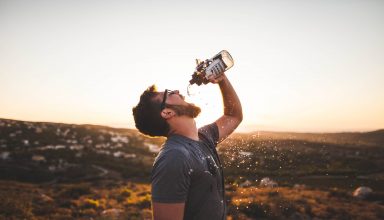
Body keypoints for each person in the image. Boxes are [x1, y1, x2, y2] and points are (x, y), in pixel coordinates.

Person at [132, 73, 242, 220]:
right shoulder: (174, 158)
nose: (177, 91)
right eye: (170, 93)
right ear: (167, 112)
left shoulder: (203, 137)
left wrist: (222, 80)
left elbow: (233, 116)